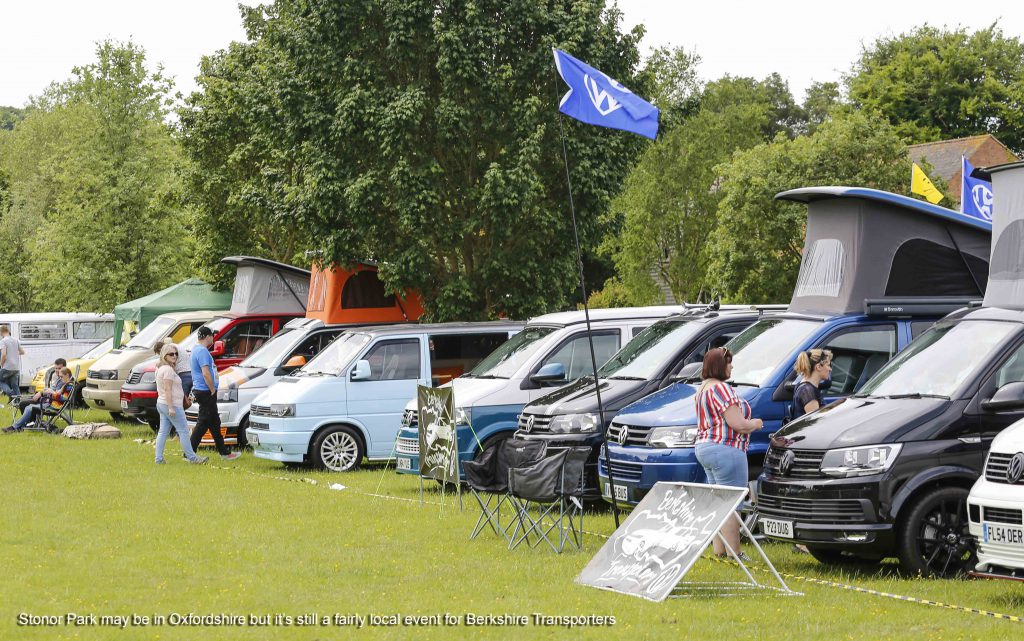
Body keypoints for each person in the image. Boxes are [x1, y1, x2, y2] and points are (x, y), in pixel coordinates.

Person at [693, 347, 763, 559]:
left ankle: (720, 550)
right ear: (719, 366)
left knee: (719, 501)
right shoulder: (722, 389)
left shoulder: (702, 389)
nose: (731, 366)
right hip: (726, 448)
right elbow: (738, 424)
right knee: (733, 502)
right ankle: (735, 552)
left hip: (704, 447)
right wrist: (756, 424)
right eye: (729, 363)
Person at [189, 326, 240, 460]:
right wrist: (212, 388)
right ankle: (189, 452)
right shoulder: (202, 351)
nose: (213, 337)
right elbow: (206, 373)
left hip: (203, 390)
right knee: (203, 422)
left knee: (214, 422)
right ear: (206, 336)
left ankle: (224, 452)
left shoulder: (196, 349)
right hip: (206, 390)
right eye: (212, 335)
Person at [154, 343, 207, 465]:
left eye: (176, 354)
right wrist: (171, 407)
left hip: (162, 404)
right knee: (183, 431)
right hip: (171, 405)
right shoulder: (167, 370)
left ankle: (159, 459)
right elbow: (167, 389)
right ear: (164, 356)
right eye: (171, 354)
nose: (174, 356)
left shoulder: (162, 368)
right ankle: (192, 458)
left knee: (163, 432)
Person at [3, 366, 73, 433]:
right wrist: (50, 392)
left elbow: (64, 399)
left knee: (29, 408)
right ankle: (18, 427)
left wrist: (52, 393)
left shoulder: (69, 386)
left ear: (67, 375)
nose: (60, 378)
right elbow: (59, 395)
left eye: (61, 376)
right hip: (51, 404)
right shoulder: (66, 384)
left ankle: (14, 427)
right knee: (28, 406)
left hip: (53, 407)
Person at [792, 349, 833, 420]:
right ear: (818, 367)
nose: (830, 369)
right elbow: (816, 424)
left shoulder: (804, 386)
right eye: (828, 365)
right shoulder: (808, 391)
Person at [0, 324, 25, 403]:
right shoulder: (15, 340)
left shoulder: (3, 341)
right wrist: (13, 353)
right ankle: (19, 401)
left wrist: (1, 364)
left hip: (7, 366)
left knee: (1, 381)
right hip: (16, 367)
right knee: (14, 384)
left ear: (1, 332)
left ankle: (12, 394)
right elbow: (22, 352)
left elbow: (3, 354)